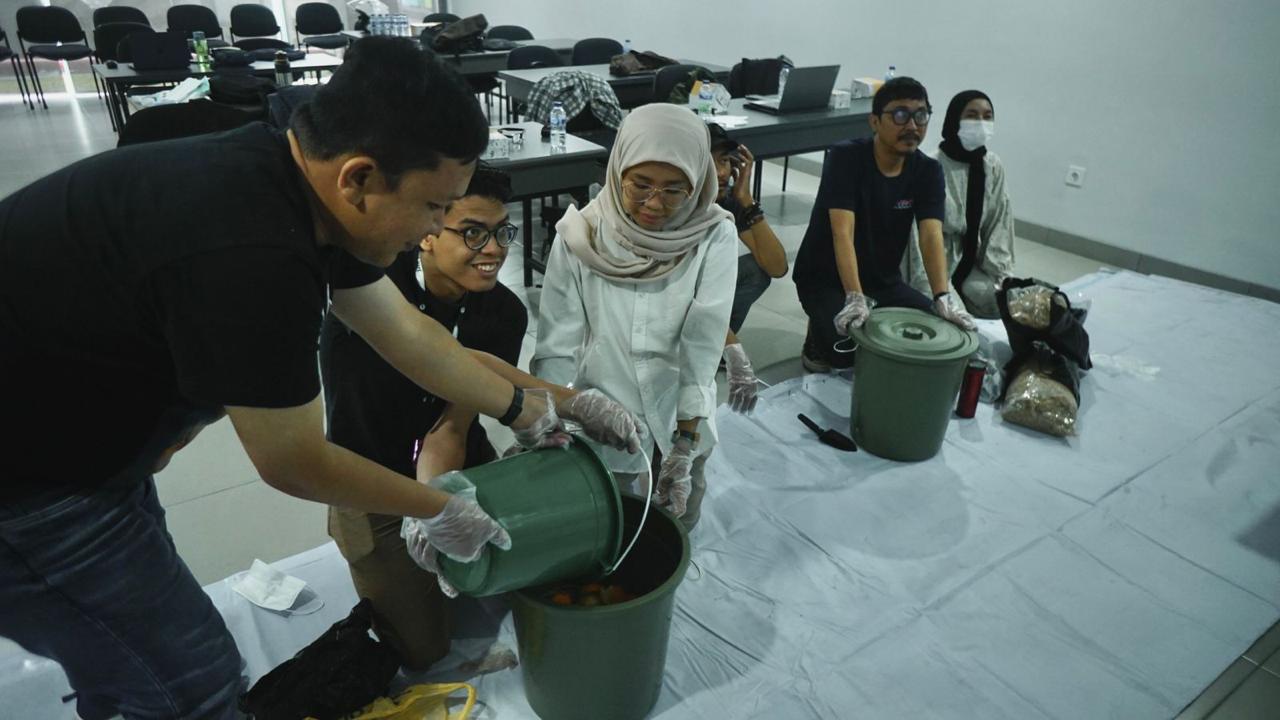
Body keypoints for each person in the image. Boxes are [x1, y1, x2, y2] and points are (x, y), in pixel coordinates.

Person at [0, 38, 637, 719]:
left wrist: (526, 409)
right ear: (359, 178)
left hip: (86, 447)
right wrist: (442, 508)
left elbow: (409, 337)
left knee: (127, 657)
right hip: (29, 488)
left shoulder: (294, 178)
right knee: (190, 679)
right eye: (433, 209)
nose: (434, 228)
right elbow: (292, 459)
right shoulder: (253, 251)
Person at [321, 166, 523, 670]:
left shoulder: (503, 313)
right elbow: (358, 432)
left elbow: (453, 425)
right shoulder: (369, 301)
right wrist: (421, 509)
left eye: (503, 231)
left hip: (456, 463)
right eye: (473, 232)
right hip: (372, 482)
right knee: (421, 652)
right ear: (429, 233)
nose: (494, 248)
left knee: (519, 573)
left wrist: (440, 500)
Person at [533, 103, 738, 530]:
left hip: (680, 405)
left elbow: (702, 345)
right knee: (614, 522)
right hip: (608, 411)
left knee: (679, 517)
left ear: (698, 182)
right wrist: (548, 422)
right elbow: (556, 346)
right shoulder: (580, 234)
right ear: (617, 169)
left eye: (674, 190)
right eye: (640, 185)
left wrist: (685, 441)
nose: (654, 204)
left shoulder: (713, 234)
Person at [793, 76, 976, 373]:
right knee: (845, 353)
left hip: (883, 282)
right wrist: (853, 296)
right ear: (875, 121)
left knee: (937, 330)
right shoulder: (846, 158)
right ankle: (817, 334)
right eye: (900, 115)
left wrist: (942, 297)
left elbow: (931, 236)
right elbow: (843, 233)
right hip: (824, 278)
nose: (912, 126)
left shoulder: (928, 171)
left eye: (921, 115)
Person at [901, 90, 1014, 318]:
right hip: (934, 263)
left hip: (969, 261)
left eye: (987, 116)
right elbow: (917, 244)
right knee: (956, 322)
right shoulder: (931, 167)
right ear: (954, 119)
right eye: (972, 116)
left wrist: (1002, 279)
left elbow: (998, 225)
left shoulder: (991, 166)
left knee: (1009, 307)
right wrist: (937, 291)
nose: (980, 123)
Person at [708, 123, 788, 414]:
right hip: (672, 307)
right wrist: (734, 348)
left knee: (757, 270)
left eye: (726, 161)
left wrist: (746, 200)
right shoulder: (677, 206)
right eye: (711, 161)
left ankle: (715, 344)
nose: (721, 172)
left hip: (702, 303)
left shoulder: (728, 200)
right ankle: (713, 342)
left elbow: (777, 266)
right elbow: (688, 293)